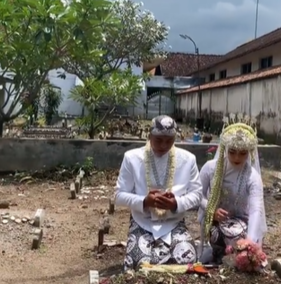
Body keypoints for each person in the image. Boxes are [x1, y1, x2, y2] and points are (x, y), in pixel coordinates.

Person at [114, 115, 203, 270]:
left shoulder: (188, 159)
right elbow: (119, 195)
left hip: (173, 223)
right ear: (149, 136)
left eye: (169, 141)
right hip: (143, 222)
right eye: (159, 140)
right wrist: (144, 201)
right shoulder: (132, 158)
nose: (163, 145)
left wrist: (176, 203)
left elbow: (197, 194)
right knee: (138, 264)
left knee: (187, 260)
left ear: (176, 137)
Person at [198, 115, 267, 265]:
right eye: (232, 151)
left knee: (240, 242)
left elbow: (256, 209)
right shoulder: (211, 168)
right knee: (217, 235)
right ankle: (217, 253)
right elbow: (197, 195)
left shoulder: (252, 176)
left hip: (242, 224)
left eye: (242, 153)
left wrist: (250, 241)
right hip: (215, 222)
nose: (236, 157)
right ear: (225, 148)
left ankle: (234, 257)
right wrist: (211, 210)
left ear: (249, 152)